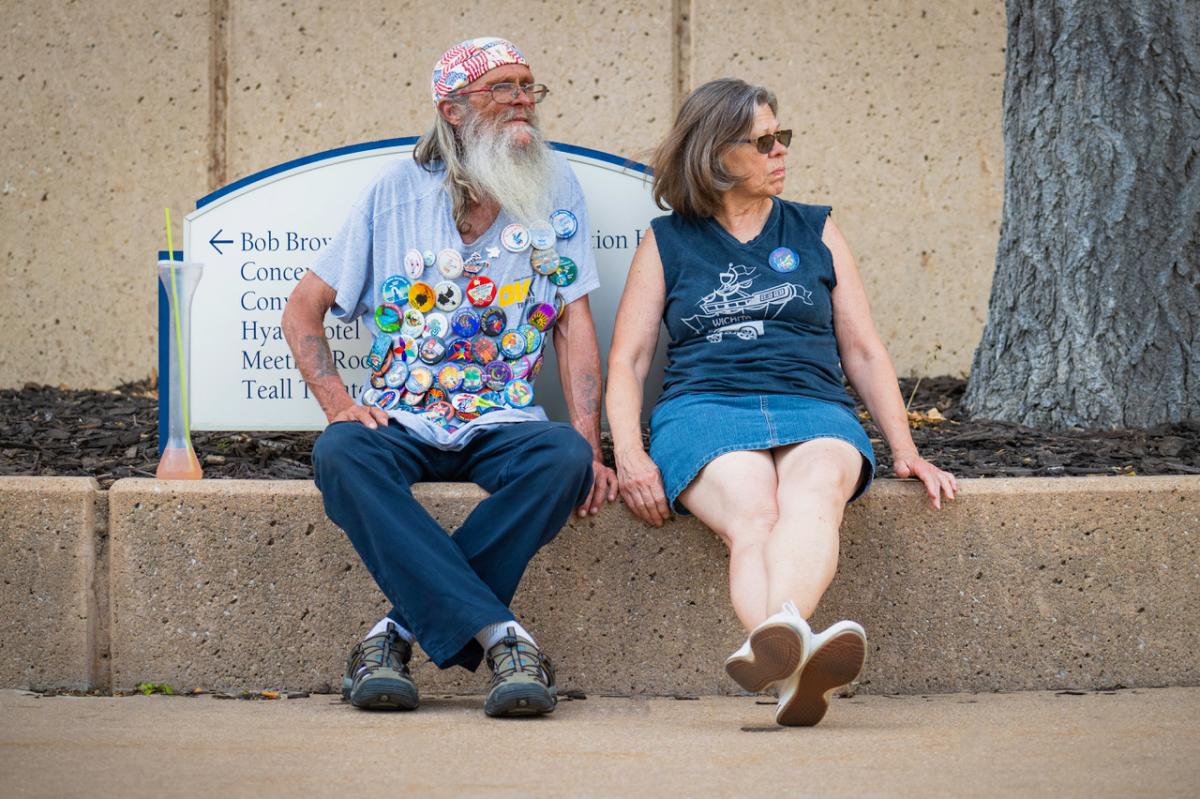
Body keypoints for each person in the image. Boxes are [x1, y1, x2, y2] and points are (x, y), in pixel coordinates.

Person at [283, 37, 618, 718]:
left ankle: (390, 635)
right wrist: (339, 401)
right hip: (399, 413)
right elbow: (301, 312)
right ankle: (506, 637)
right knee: (340, 454)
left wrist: (592, 443)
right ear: (454, 108)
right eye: (504, 87)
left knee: (564, 459)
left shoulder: (556, 188)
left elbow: (571, 321)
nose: (524, 99)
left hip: (501, 416)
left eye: (529, 85)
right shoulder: (392, 192)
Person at [605, 78, 957, 727]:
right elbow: (627, 360)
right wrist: (630, 452)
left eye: (781, 135)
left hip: (811, 402)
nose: (780, 151)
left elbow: (864, 351)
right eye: (763, 141)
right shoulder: (668, 241)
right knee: (753, 512)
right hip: (703, 407)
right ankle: (796, 659)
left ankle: (781, 651)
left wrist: (906, 451)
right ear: (716, 155)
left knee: (816, 488)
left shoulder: (815, 228)